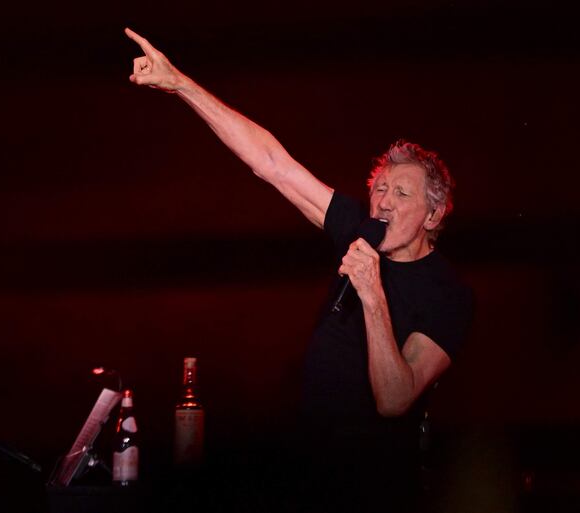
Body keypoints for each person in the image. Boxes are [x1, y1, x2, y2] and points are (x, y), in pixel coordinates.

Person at [125, 27, 473, 512]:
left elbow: (396, 399)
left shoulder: (446, 294)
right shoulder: (358, 227)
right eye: (379, 189)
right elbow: (271, 162)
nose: (384, 203)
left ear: (434, 216)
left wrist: (372, 292)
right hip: (310, 468)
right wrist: (181, 84)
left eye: (402, 194)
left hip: (376, 487)